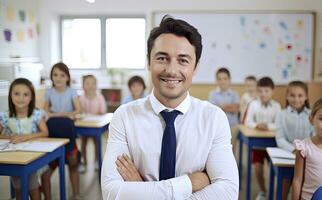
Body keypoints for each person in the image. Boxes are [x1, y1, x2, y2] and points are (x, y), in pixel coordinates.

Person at [101, 16, 239, 199]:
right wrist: (190, 182)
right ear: (148, 62)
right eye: (162, 58)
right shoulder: (124, 116)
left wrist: (142, 188)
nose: (172, 70)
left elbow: (228, 192)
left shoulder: (213, 118)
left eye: (183, 60)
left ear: (195, 67)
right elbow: (112, 192)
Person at [0, 78, 49, 200]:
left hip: (34, 157)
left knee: (32, 185)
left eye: (25, 94)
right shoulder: (5, 116)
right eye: (17, 94)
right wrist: (9, 137)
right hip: (14, 158)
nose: (20, 98)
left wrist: (26, 137)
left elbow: (45, 132)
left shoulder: (36, 114)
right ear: (10, 95)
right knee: (19, 189)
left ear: (31, 97)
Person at [43, 62, 81, 200]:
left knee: (73, 165)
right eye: (55, 75)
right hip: (53, 134)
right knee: (48, 169)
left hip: (68, 132)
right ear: (51, 77)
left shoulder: (72, 91)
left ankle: (76, 194)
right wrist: (60, 114)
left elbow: (78, 110)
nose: (58, 78)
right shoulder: (49, 92)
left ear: (67, 77)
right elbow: (45, 110)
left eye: (62, 75)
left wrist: (61, 114)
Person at [275, 81, 314, 200]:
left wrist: (306, 151)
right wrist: (294, 150)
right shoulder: (281, 115)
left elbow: (314, 136)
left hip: (308, 156)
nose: (296, 99)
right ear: (287, 96)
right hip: (288, 154)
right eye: (292, 95)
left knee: (304, 185)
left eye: (300, 95)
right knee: (285, 181)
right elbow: (280, 138)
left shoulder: (312, 114)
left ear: (306, 96)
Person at [244, 76, 281, 200]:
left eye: (266, 91)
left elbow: (278, 124)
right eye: (260, 91)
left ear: (272, 91)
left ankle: (274, 191)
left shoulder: (277, 106)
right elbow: (247, 121)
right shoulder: (253, 104)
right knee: (258, 168)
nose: (263, 94)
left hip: (273, 143)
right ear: (257, 91)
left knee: (275, 169)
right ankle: (263, 191)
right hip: (257, 143)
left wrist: (268, 126)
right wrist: (257, 125)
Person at [78, 74, 107, 173]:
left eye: (93, 83)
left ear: (96, 85)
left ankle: (96, 161)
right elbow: (79, 111)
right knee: (83, 143)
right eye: (87, 83)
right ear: (83, 86)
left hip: (96, 125)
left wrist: (92, 115)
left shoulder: (100, 97)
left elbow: (103, 111)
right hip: (84, 125)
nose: (90, 86)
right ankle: (83, 161)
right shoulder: (81, 98)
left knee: (96, 143)